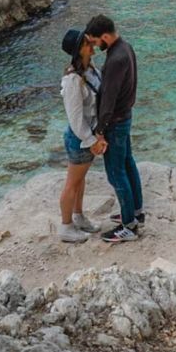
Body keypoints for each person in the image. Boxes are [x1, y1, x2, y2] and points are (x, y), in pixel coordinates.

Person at [88, 14, 143, 244]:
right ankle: (136, 212)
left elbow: (108, 99)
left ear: (106, 37)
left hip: (116, 123)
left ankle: (129, 225)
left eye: (94, 41)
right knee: (128, 163)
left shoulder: (115, 60)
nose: (93, 46)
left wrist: (100, 130)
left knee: (115, 173)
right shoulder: (126, 48)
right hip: (125, 117)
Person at [57, 28, 103, 244]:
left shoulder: (89, 69)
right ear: (80, 49)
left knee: (80, 180)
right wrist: (92, 141)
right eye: (87, 42)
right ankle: (66, 227)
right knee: (72, 183)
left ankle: (78, 216)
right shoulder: (73, 81)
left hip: (86, 136)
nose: (92, 43)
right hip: (80, 139)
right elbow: (76, 119)